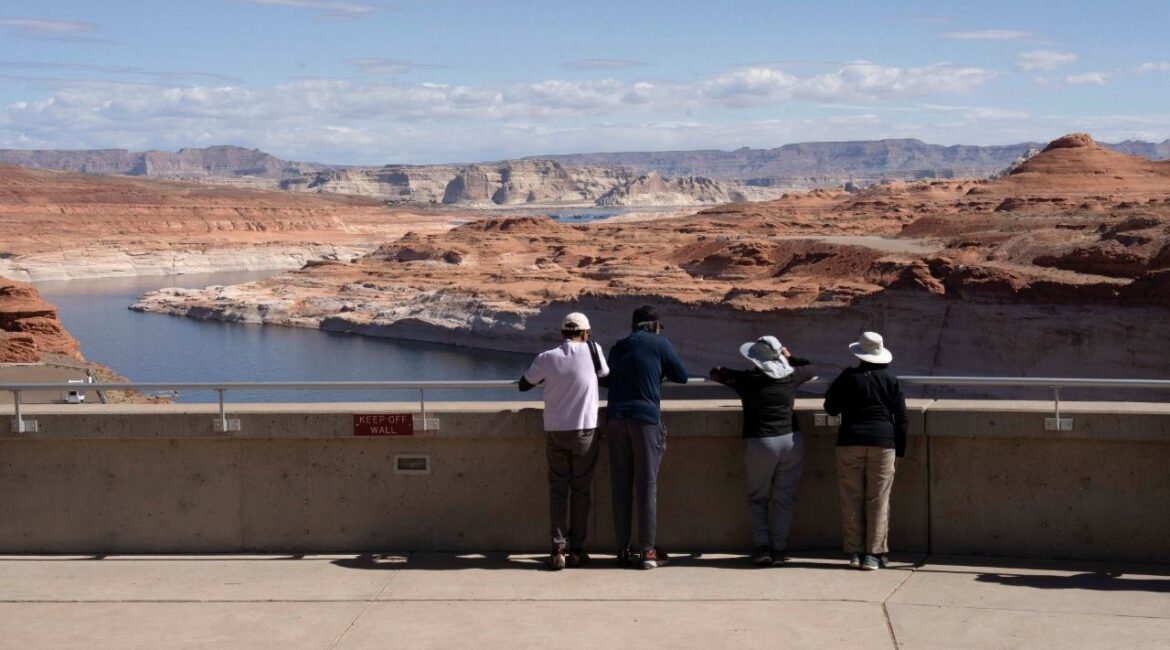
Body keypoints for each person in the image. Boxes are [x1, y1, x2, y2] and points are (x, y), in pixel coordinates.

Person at [709, 336, 817, 567]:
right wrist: (789, 357)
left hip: (760, 443)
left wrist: (741, 372)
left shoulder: (747, 380)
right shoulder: (792, 376)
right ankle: (779, 550)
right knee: (784, 500)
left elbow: (715, 372)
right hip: (791, 441)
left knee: (758, 498)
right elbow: (810, 367)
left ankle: (763, 549)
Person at [519, 311, 610, 570]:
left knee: (558, 490)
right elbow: (606, 378)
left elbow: (524, 385)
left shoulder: (547, 357)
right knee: (581, 491)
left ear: (561, 334)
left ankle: (557, 548)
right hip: (585, 431)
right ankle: (578, 550)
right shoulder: (594, 352)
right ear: (586, 333)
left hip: (556, 431)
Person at [603, 305, 689, 569]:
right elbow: (682, 376)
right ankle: (647, 552)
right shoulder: (659, 344)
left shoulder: (618, 347)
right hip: (645, 419)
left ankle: (622, 551)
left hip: (616, 418)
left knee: (621, 485)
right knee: (646, 486)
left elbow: (607, 379)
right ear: (653, 326)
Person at [823, 331, 907, 571]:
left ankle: (855, 553)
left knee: (851, 498)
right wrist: (898, 449)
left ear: (859, 354)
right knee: (878, 499)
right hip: (883, 443)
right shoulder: (891, 380)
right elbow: (900, 417)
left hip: (850, 441)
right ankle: (874, 553)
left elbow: (831, 407)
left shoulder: (848, 377)